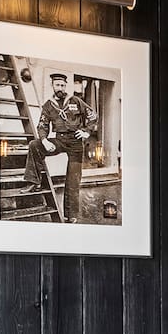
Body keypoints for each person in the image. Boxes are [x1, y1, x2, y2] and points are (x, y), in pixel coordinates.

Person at [27, 71, 99, 223]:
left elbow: (92, 115)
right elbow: (43, 124)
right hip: (59, 140)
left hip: (75, 144)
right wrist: (45, 140)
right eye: (57, 85)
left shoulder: (76, 101)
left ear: (66, 86)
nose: (60, 88)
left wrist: (86, 131)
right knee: (35, 145)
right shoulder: (48, 105)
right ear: (52, 86)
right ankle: (35, 182)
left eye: (62, 85)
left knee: (73, 179)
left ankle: (71, 215)